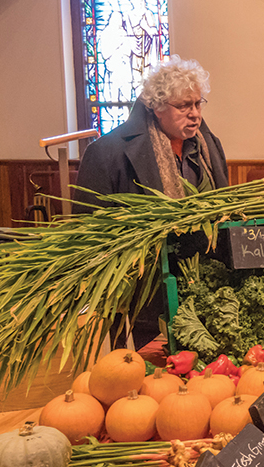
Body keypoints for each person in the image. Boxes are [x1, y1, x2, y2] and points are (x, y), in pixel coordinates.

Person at [73, 55, 229, 348]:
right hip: (145, 290)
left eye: (198, 103)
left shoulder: (209, 146)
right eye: (183, 106)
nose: (194, 114)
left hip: (205, 281)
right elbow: (88, 229)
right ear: (157, 107)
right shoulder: (107, 153)